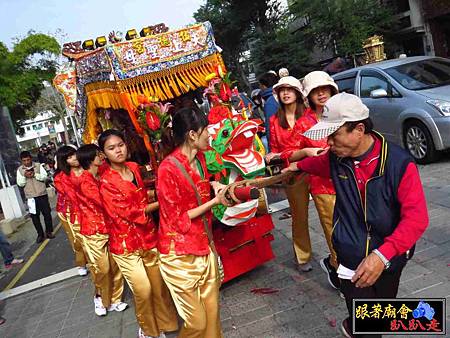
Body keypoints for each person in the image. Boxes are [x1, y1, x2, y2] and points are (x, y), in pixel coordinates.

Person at [283, 93, 429, 338]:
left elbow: (417, 219)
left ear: (359, 129)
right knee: (369, 326)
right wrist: (295, 167)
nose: (328, 142)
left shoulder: (399, 164)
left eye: (334, 135)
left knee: (380, 314)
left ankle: (355, 325)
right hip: (350, 255)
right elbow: (316, 164)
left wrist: (381, 256)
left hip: (389, 256)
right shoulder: (336, 159)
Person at [157, 108, 230, 338]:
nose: (210, 134)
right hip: (179, 256)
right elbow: (178, 219)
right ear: (192, 135)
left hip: (203, 244)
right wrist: (215, 201)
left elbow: (201, 186)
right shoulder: (167, 169)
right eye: (206, 129)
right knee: (196, 323)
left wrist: (214, 186)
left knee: (213, 314)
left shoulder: (200, 159)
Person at [99, 130, 178, 338]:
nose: (118, 150)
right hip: (126, 245)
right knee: (143, 290)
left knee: (159, 286)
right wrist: (161, 203)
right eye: (111, 148)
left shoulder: (134, 168)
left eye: (120, 145)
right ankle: (148, 329)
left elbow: (142, 195)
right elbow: (129, 212)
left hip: (149, 236)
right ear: (104, 154)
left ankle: (166, 324)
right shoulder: (106, 182)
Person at [281, 71, 340, 288]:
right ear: (308, 96)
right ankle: (340, 271)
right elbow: (289, 153)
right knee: (333, 231)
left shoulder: (344, 112)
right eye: (315, 91)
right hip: (323, 185)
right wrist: (306, 151)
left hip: (351, 179)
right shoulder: (304, 123)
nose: (321, 93)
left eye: (325, 88)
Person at [264, 73, 314, 272]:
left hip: (315, 167)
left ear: (297, 92)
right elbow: (275, 150)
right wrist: (290, 155)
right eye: (281, 90)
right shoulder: (275, 120)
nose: (285, 93)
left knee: (329, 212)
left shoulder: (309, 114)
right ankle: (303, 256)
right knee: (299, 216)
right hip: (293, 173)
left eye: (289, 89)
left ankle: (337, 257)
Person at [75, 144, 127, 317]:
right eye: (99, 154)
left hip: (110, 227)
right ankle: (99, 297)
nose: (102, 156)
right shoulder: (85, 181)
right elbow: (102, 201)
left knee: (116, 265)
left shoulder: (101, 174)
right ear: (91, 159)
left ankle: (115, 300)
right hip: (93, 231)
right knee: (102, 269)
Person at [54, 146, 88, 276]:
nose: (74, 158)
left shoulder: (87, 168)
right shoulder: (61, 177)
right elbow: (72, 196)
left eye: (74, 154)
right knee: (76, 238)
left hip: (87, 209)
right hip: (69, 211)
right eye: (69, 157)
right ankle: (81, 262)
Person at [16, 151, 54, 243]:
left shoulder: (38, 166)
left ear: (31, 159)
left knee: (47, 214)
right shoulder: (20, 170)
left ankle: (49, 232)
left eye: (28, 160)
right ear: (21, 161)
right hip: (31, 198)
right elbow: (20, 183)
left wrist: (35, 175)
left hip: (42, 194)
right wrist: (25, 176)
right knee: (35, 217)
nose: (26, 162)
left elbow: (45, 177)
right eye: (24, 160)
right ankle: (40, 235)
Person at [258, 71, 279, 151]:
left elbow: (270, 127)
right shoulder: (279, 96)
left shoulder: (270, 102)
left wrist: (272, 149)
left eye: (260, 86)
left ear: (264, 86)